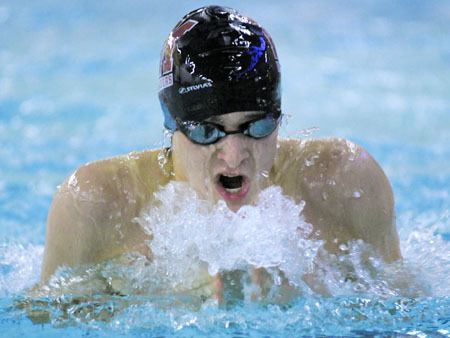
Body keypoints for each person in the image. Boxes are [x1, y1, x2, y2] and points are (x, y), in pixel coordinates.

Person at [40, 6, 401, 300]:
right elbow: (40, 318)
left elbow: (409, 309)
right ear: (173, 122)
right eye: (207, 131)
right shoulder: (93, 203)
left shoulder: (346, 184)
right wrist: (174, 303)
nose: (234, 156)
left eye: (257, 126)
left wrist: (305, 294)